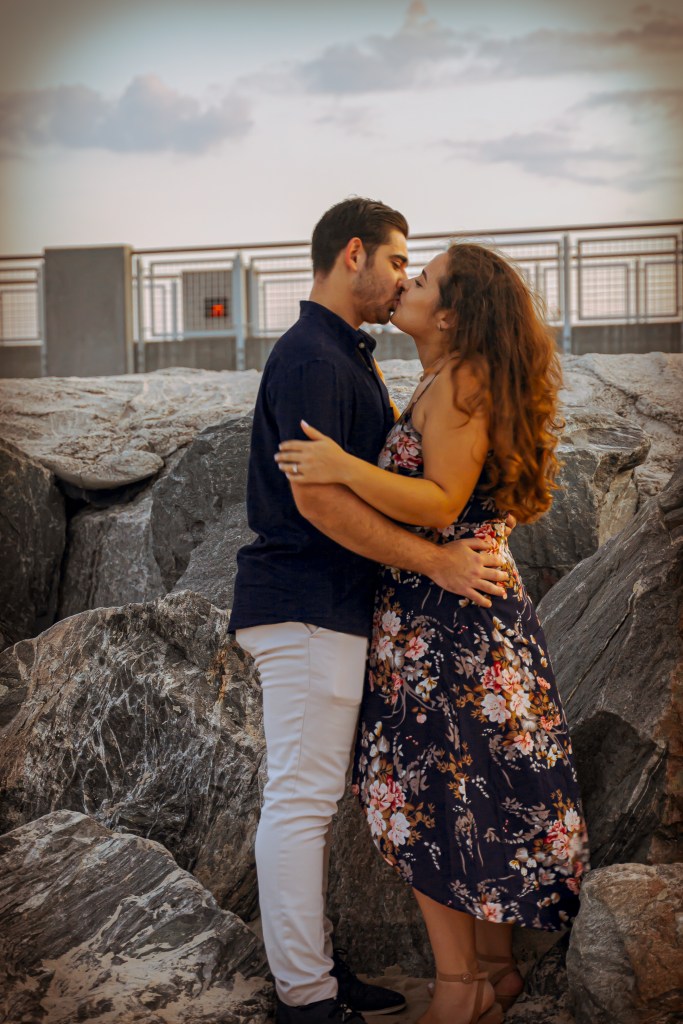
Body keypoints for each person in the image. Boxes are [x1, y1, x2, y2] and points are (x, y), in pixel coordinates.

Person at [275, 243, 591, 1024]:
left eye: (420, 280)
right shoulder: (450, 379)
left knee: (429, 797)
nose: (405, 285)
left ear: (450, 315)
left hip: (445, 621)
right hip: (456, 613)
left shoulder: (458, 381)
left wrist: (341, 466)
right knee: (470, 787)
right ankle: (494, 970)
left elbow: (443, 499)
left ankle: (459, 988)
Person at [229, 200, 510, 1024]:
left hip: (327, 609)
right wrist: (437, 561)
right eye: (395, 262)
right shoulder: (314, 357)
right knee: (301, 798)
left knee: (312, 797)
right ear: (353, 253)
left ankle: (312, 966)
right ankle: (305, 994)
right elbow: (318, 503)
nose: (401, 279)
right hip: (307, 607)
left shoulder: (340, 353)